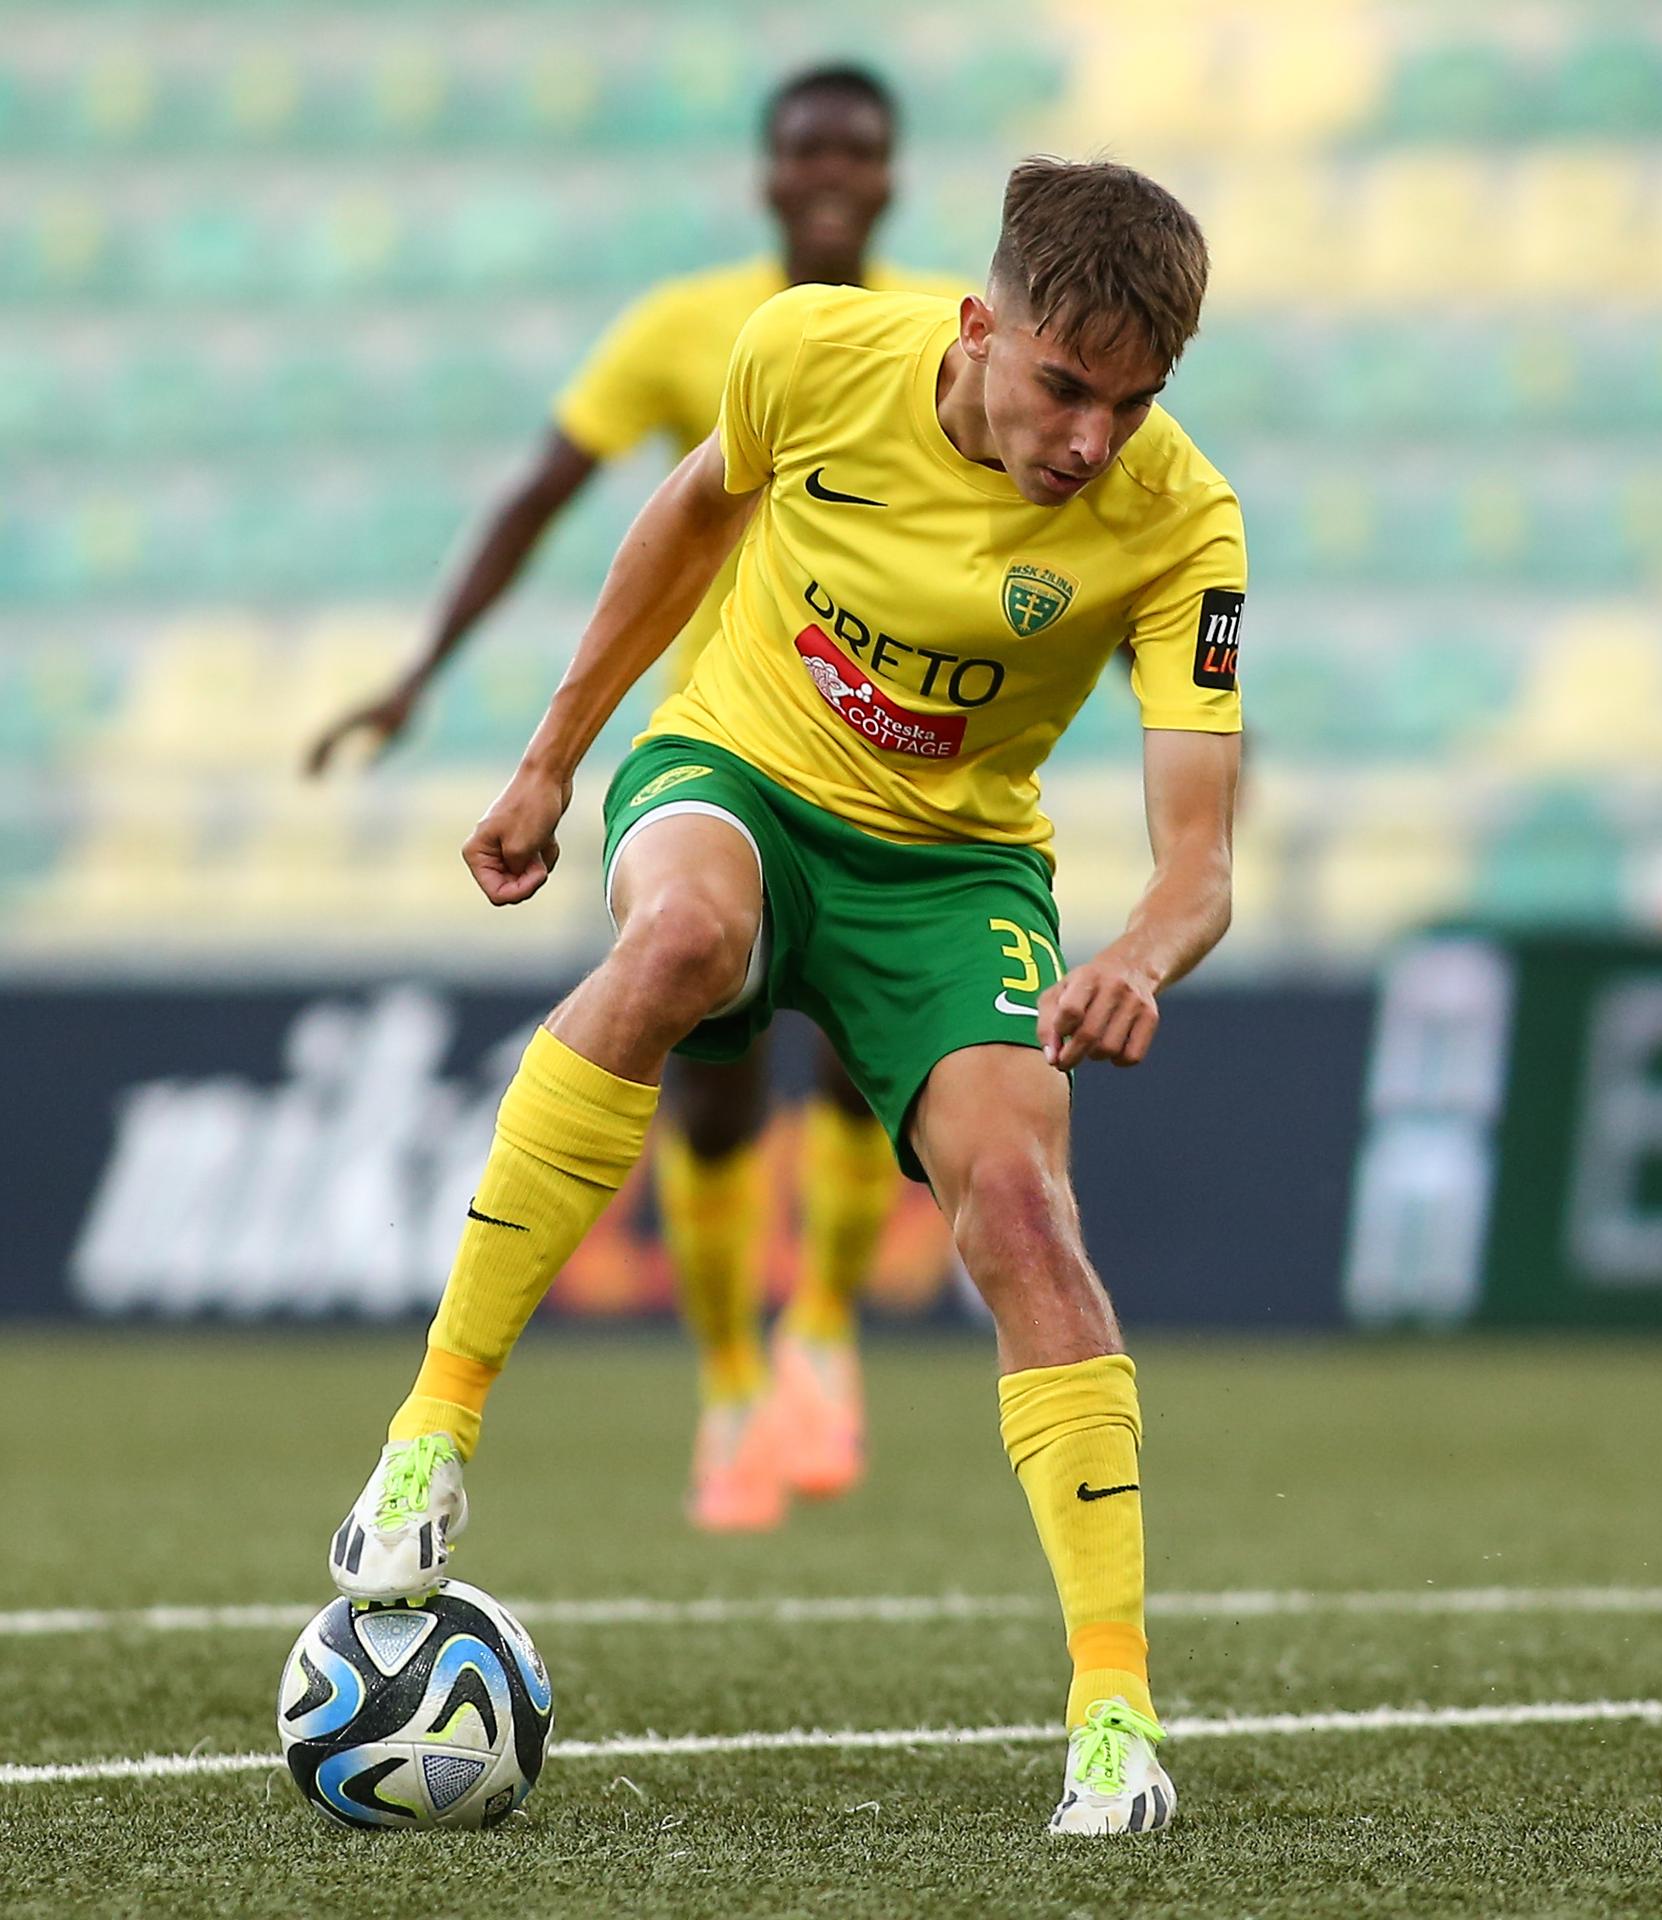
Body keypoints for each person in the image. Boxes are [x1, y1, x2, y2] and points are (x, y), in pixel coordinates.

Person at [321, 158, 1245, 1838]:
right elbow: (682, 518)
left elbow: (1198, 866)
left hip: (953, 878)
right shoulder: (809, 356)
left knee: (1026, 1213)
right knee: (671, 948)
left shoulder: (1181, 519)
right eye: (1064, 385)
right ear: (980, 330)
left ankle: (1114, 1717)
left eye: (1136, 400)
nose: (1094, 437)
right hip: (733, 770)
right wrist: (549, 762)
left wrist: (1135, 956)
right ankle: (428, 1434)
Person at [306, 64, 971, 1535]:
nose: (830, 173)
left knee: (874, 1067)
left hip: (881, 757)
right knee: (716, 1086)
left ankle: (822, 1339)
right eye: (805, 149)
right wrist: (423, 668)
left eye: (856, 150)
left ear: (891, 172)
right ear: (765, 174)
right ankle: (733, 1382)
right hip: (721, 745)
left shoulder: (949, 331)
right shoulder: (689, 326)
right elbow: (545, 493)